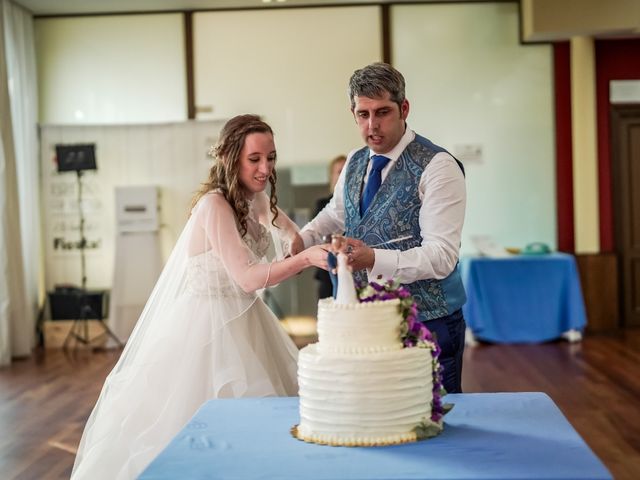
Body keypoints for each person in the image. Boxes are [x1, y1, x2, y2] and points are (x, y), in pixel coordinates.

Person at [71, 114, 329, 480]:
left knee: (255, 427)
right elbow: (246, 278)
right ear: (229, 157)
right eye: (254, 159)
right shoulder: (214, 205)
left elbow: (290, 232)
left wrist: (298, 245)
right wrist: (303, 260)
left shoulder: (255, 199)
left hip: (247, 321)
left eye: (270, 158)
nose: (265, 168)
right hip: (204, 327)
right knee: (199, 429)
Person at [292, 62, 467, 394]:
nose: (372, 125)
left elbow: (441, 257)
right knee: (380, 419)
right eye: (363, 114)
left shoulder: (439, 167)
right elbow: (336, 214)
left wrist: (373, 258)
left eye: (382, 112)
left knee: (435, 425)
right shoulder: (357, 160)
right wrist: (302, 239)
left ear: (404, 109)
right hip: (365, 325)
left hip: (428, 323)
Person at [313, 155, 346, 299]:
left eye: (347, 169)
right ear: (332, 177)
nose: (344, 174)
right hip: (329, 273)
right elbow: (320, 236)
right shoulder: (322, 206)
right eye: (340, 171)